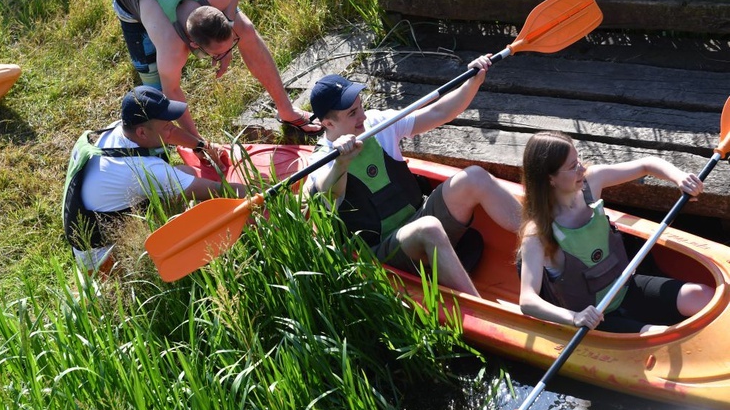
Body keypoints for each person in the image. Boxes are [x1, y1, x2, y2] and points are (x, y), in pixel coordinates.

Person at [303, 56, 521, 297]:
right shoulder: (321, 161)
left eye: (360, 106)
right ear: (328, 123)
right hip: (384, 255)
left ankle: (552, 242)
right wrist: (340, 163)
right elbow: (327, 193)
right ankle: (483, 315)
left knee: (475, 177)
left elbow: (439, 112)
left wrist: (473, 83)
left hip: (420, 218)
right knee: (428, 227)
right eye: (353, 113)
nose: (362, 116)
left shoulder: (376, 122)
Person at [517, 131, 714, 333]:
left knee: (702, 295)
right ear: (550, 179)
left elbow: (647, 164)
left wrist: (679, 177)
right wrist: (576, 317)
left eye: (578, 160)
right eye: (572, 166)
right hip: (595, 318)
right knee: (662, 335)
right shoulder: (537, 233)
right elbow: (527, 300)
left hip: (626, 289)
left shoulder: (590, 183)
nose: (582, 168)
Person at [111, 0, 320, 138]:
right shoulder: (170, 46)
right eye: (216, 53)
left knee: (245, 29)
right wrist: (198, 142)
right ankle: (158, 151)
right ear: (193, 45)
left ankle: (286, 110)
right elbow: (172, 93)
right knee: (153, 92)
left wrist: (229, 29)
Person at [62, 85, 244, 276]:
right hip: (102, 261)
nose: (170, 130)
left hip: (97, 225)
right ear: (142, 133)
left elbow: (171, 133)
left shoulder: (120, 129)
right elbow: (217, 191)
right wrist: (263, 191)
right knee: (187, 198)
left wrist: (200, 146)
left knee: (185, 172)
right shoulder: (143, 170)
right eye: (165, 126)